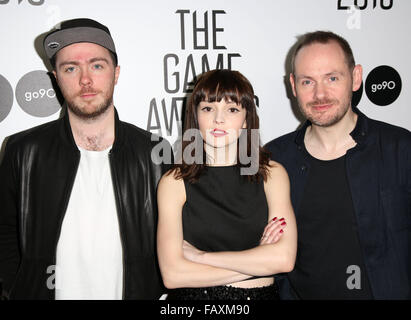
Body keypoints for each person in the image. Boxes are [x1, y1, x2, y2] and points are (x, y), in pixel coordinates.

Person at [0, 18, 172, 300]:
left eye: (97, 65)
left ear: (115, 73)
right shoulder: (22, 150)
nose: (85, 80)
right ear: (56, 78)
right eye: (70, 68)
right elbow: (5, 232)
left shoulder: (154, 151)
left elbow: (173, 236)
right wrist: (17, 287)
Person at [265, 31, 411, 300]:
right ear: (293, 85)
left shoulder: (401, 149)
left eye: (332, 78)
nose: (320, 94)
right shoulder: (273, 159)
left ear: (355, 78)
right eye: (308, 81)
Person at [156, 69, 297, 300]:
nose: (218, 119)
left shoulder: (273, 175)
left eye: (232, 109)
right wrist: (258, 261)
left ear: (245, 120)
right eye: (208, 108)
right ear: (196, 116)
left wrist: (201, 257)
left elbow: (284, 259)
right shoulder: (174, 182)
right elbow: (174, 275)